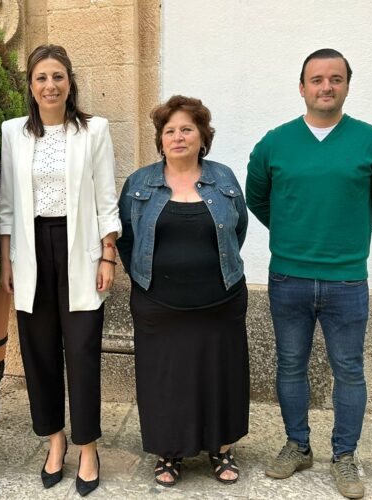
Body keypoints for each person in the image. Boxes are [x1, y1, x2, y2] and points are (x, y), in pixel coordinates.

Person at [246, 48, 372, 499]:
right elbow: (259, 197)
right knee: (290, 364)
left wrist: (346, 233)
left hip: (347, 279)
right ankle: (297, 444)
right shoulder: (276, 142)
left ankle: (345, 457)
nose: (326, 87)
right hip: (288, 277)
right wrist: (296, 229)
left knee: (348, 369)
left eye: (335, 79)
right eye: (317, 79)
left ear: (347, 85)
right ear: (302, 87)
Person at [0, 44, 121, 497]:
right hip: (31, 254)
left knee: (83, 350)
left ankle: (87, 445)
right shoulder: (13, 132)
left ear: (70, 83)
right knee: (39, 352)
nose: (50, 85)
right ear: (30, 86)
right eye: (41, 78)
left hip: (81, 250)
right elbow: (7, 203)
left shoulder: (93, 130)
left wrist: (108, 253)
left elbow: (106, 196)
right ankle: (55, 439)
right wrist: (7, 258)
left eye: (58, 77)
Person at [116, 95, 249, 488]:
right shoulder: (140, 182)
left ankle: (221, 449)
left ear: (202, 137)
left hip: (220, 301)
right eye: (169, 130)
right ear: (160, 139)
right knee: (165, 378)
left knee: (220, 375)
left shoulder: (223, 178)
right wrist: (145, 277)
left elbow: (237, 229)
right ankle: (168, 453)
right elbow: (126, 237)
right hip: (159, 305)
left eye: (186, 129)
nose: (178, 137)